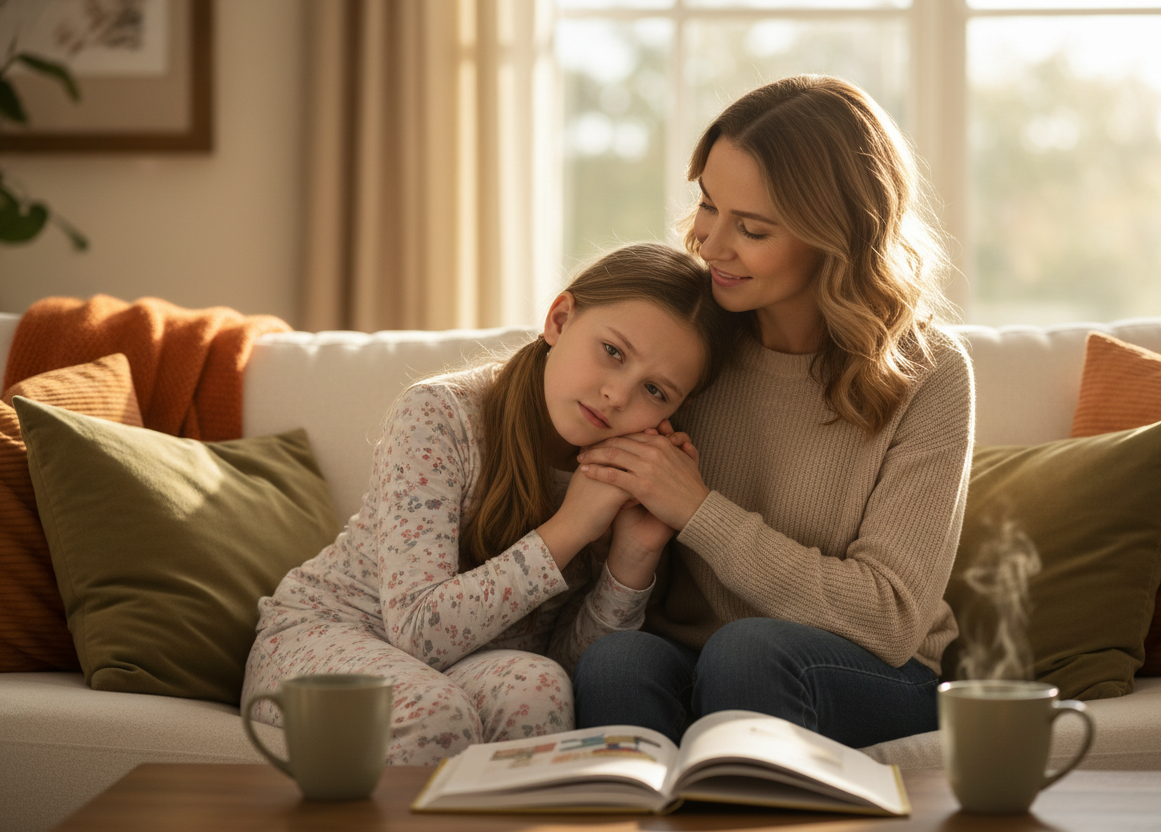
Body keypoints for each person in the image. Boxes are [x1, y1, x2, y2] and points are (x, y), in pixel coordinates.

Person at [572, 75, 975, 749]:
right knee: (615, 662)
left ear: (836, 236)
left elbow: (892, 616)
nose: (710, 243)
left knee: (748, 652)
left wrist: (699, 510)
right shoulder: (689, 346)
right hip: (698, 656)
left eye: (752, 228)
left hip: (875, 669)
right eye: (707, 206)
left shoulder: (928, 371)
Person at [241, 242, 738, 765]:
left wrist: (631, 559)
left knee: (539, 686)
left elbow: (567, 663)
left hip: (458, 668)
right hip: (322, 636)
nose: (617, 395)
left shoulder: (615, 479)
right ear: (560, 320)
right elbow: (417, 633)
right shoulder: (440, 415)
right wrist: (570, 526)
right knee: (433, 714)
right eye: (612, 352)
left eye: (655, 391)